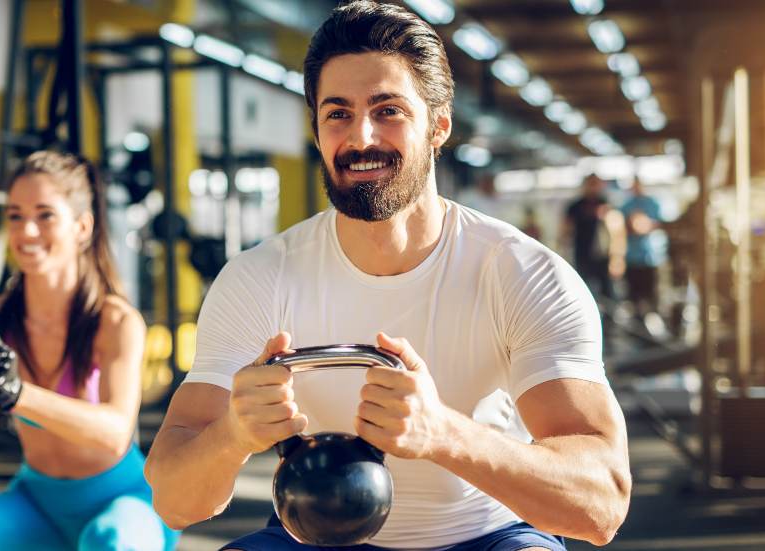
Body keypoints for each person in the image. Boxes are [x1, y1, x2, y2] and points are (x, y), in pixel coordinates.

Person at [144, 3, 631, 551]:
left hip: (487, 537)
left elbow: (602, 505)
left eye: (388, 109)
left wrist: (443, 432)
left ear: (439, 124)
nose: (362, 137)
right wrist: (232, 435)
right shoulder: (259, 278)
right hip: (311, 538)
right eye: (338, 114)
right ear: (317, 131)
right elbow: (173, 501)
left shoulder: (522, 273)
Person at [0, 151, 178, 551]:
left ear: (82, 227)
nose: (27, 231)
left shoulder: (115, 321)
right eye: (15, 216)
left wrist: (17, 394)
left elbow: (115, 434)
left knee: (111, 541)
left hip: (123, 500)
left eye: (45, 215)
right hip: (38, 501)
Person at [562, 174, 625, 301]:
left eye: (596, 184)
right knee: (585, 290)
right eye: (590, 184)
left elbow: (618, 233)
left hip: (604, 256)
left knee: (608, 291)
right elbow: (566, 230)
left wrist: (617, 258)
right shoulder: (575, 207)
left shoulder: (607, 205)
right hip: (582, 255)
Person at [618, 179, 668, 333]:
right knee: (634, 297)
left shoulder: (653, 203)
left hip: (651, 258)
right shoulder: (625, 206)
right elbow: (619, 229)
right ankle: (638, 328)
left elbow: (661, 223)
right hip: (632, 259)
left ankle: (656, 327)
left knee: (653, 295)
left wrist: (646, 225)